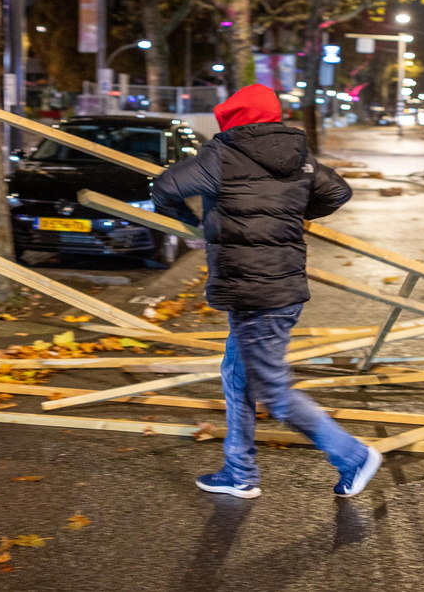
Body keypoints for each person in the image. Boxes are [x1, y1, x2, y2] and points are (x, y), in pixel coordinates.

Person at [153, 83, 381, 499]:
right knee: (237, 377)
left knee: (273, 391)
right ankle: (239, 471)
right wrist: (292, 211)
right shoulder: (298, 156)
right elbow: (338, 191)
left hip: (254, 291)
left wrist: (189, 229)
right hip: (282, 287)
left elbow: (164, 188)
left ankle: (352, 455)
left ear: (233, 120)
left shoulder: (222, 154)